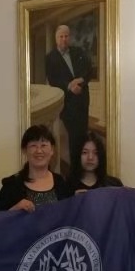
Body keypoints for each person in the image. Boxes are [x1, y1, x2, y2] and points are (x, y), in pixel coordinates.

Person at [45, 24, 92, 169]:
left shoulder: (78, 52)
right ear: (56, 39)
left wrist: (80, 81)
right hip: (67, 103)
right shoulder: (50, 58)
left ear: (69, 37)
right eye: (61, 36)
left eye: (66, 36)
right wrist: (70, 86)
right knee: (74, 136)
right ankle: (75, 169)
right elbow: (53, 80)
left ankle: (84, 166)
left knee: (83, 134)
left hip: (82, 100)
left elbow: (88, 70)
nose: (64, 39)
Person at [0, 124, 71, 212]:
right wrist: (15, 209)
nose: (39, 151)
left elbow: (69, 214)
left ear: (52, 150)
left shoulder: (61, 182)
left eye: (43, 145)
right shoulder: (11, 185)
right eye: (33, 145)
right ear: (24, 150)